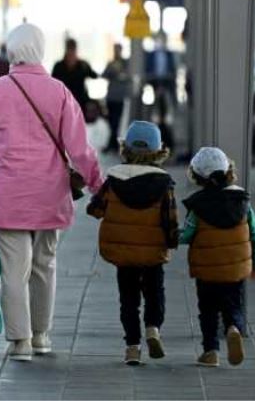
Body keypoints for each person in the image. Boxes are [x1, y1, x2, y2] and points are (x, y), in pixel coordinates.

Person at [0, 22, 103, 362]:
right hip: (49, 196)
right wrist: (97, 184)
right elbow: (80, 148)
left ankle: (19, 341)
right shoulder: (59, 92)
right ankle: (41, 335)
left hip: (8, 196)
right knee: (45, 265)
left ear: (11, 50)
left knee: (13, 270)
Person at [87, 121, 178, 366]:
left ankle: (132, 347)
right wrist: (172, 242)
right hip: (153, 252)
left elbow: (95, 209)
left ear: (125, 149)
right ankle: (153, 329)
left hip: (123, 252)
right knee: (155, 292)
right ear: (159, 151)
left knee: (128, 298)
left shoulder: (114, 180)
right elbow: (170, 219)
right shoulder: (164, 183)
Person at [180, 147, 255, 368]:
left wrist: (169, 238)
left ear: (197, 176)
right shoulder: (242, 202)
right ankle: (233, 328)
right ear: (229, 171)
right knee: (233, 304)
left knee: (207, 309)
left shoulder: (197, 206)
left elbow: (186, 234)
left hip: (207, 269)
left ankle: (210, 351)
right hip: (235, 269)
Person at [52, 37, 97, 110]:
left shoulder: (82, 65)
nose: (71, 51)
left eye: (73, 49)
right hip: (65, 102)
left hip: (80, 101)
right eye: (70, 48)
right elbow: (53, 83)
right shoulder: (59, 66)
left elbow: (94, 76)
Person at [101, 44, 130, 152]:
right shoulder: (111, 63)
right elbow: (103, 75)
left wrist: (121, 73)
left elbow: (128, 76)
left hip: (120, 97)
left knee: (116, 121)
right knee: (111, 121)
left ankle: (112, 144)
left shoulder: (126, 63)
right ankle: (113, 144)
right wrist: (112, 71)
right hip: (110, 96)